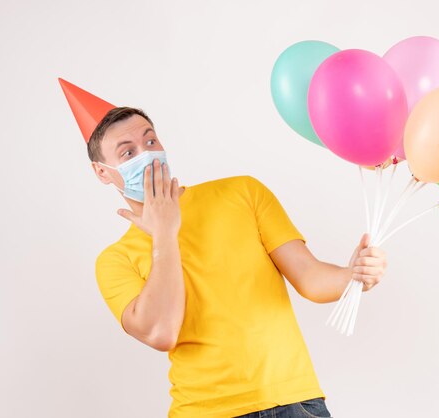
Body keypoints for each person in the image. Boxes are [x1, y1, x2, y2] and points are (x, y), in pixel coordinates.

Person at [59, 78, 388, 418]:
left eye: (150, 140)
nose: (147, 155)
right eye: (128, 152)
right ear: (102, 172)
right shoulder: (115, 261)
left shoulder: (242, 193)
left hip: (296, 402)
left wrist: (354, 276)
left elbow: (311, 279)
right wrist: (165, 234)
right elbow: (161, 332)